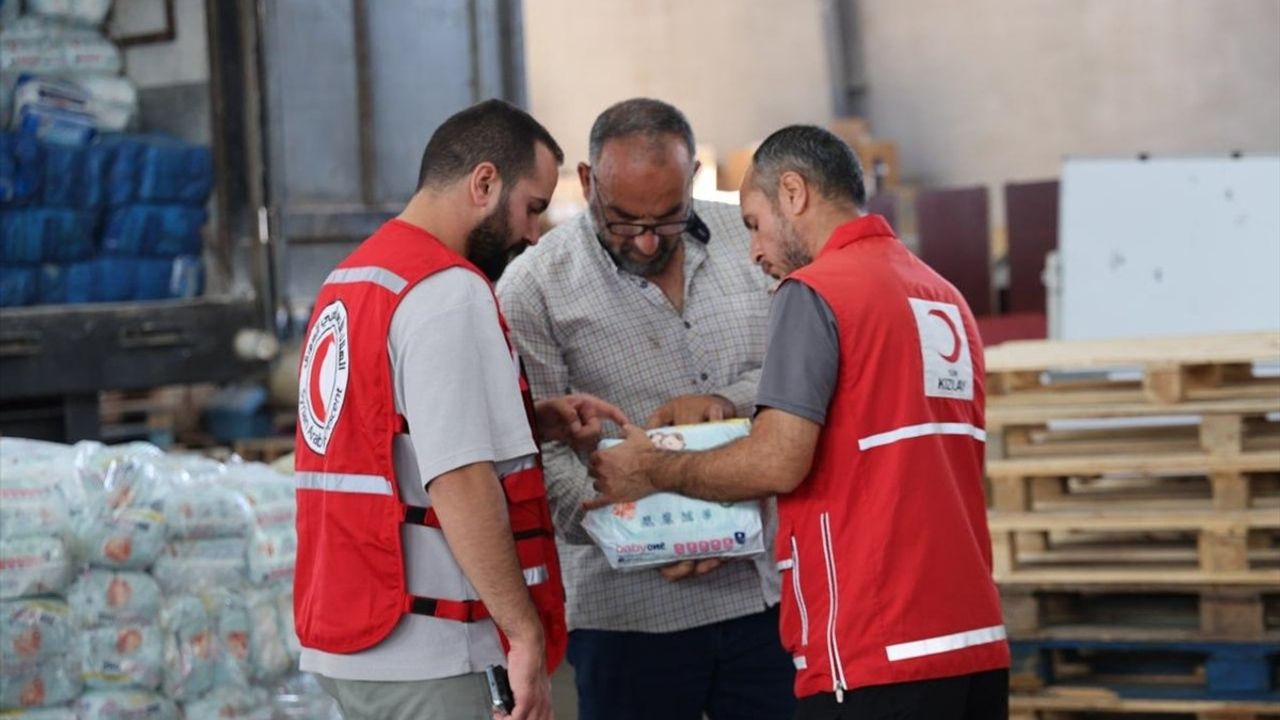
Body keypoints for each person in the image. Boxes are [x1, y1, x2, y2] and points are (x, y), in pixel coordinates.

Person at [587, 125, 1010, 720]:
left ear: (793, 193)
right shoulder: (942, 296)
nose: (755, 252)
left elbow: (777, 460)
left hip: (872, 644)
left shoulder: (815, 291)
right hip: (973, 642)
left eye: (754, 225)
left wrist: (651, 469)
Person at [292, 99, 626, 720]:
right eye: (532, 207)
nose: (533, 234)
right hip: (445, 651)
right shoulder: (446, 291)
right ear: (484, 182)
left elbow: (386, 441)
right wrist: (524, 635)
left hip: (359, 637)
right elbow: (460, 480)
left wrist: (524, 426)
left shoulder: (354, 280)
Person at [496, 98, 793, 720]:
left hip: (768, 596)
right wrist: (656, 532)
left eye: (669, 217)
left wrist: (725, 403)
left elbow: (804, 382)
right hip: (629, 619)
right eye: (626, 221)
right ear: (586, 182)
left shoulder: (755, 246)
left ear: (692, 183)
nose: (650, 239)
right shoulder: (536, 287)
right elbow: (542, 454)